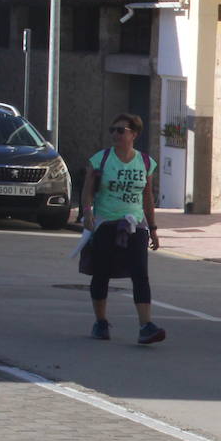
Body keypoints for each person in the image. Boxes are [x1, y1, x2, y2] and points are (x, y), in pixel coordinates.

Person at [81, 113, 165, 345]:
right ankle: (101, 322)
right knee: (102, 272)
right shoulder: (102, 159)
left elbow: (147, 196)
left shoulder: (145, 162)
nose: (116, 135)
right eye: (113, 130)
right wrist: (87, 213)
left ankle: (146, 326)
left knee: (140, 273)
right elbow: (87, 190)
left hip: (134, 224)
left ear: (134, 134)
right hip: (106, 222)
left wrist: (153, 227)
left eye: (121, 130)